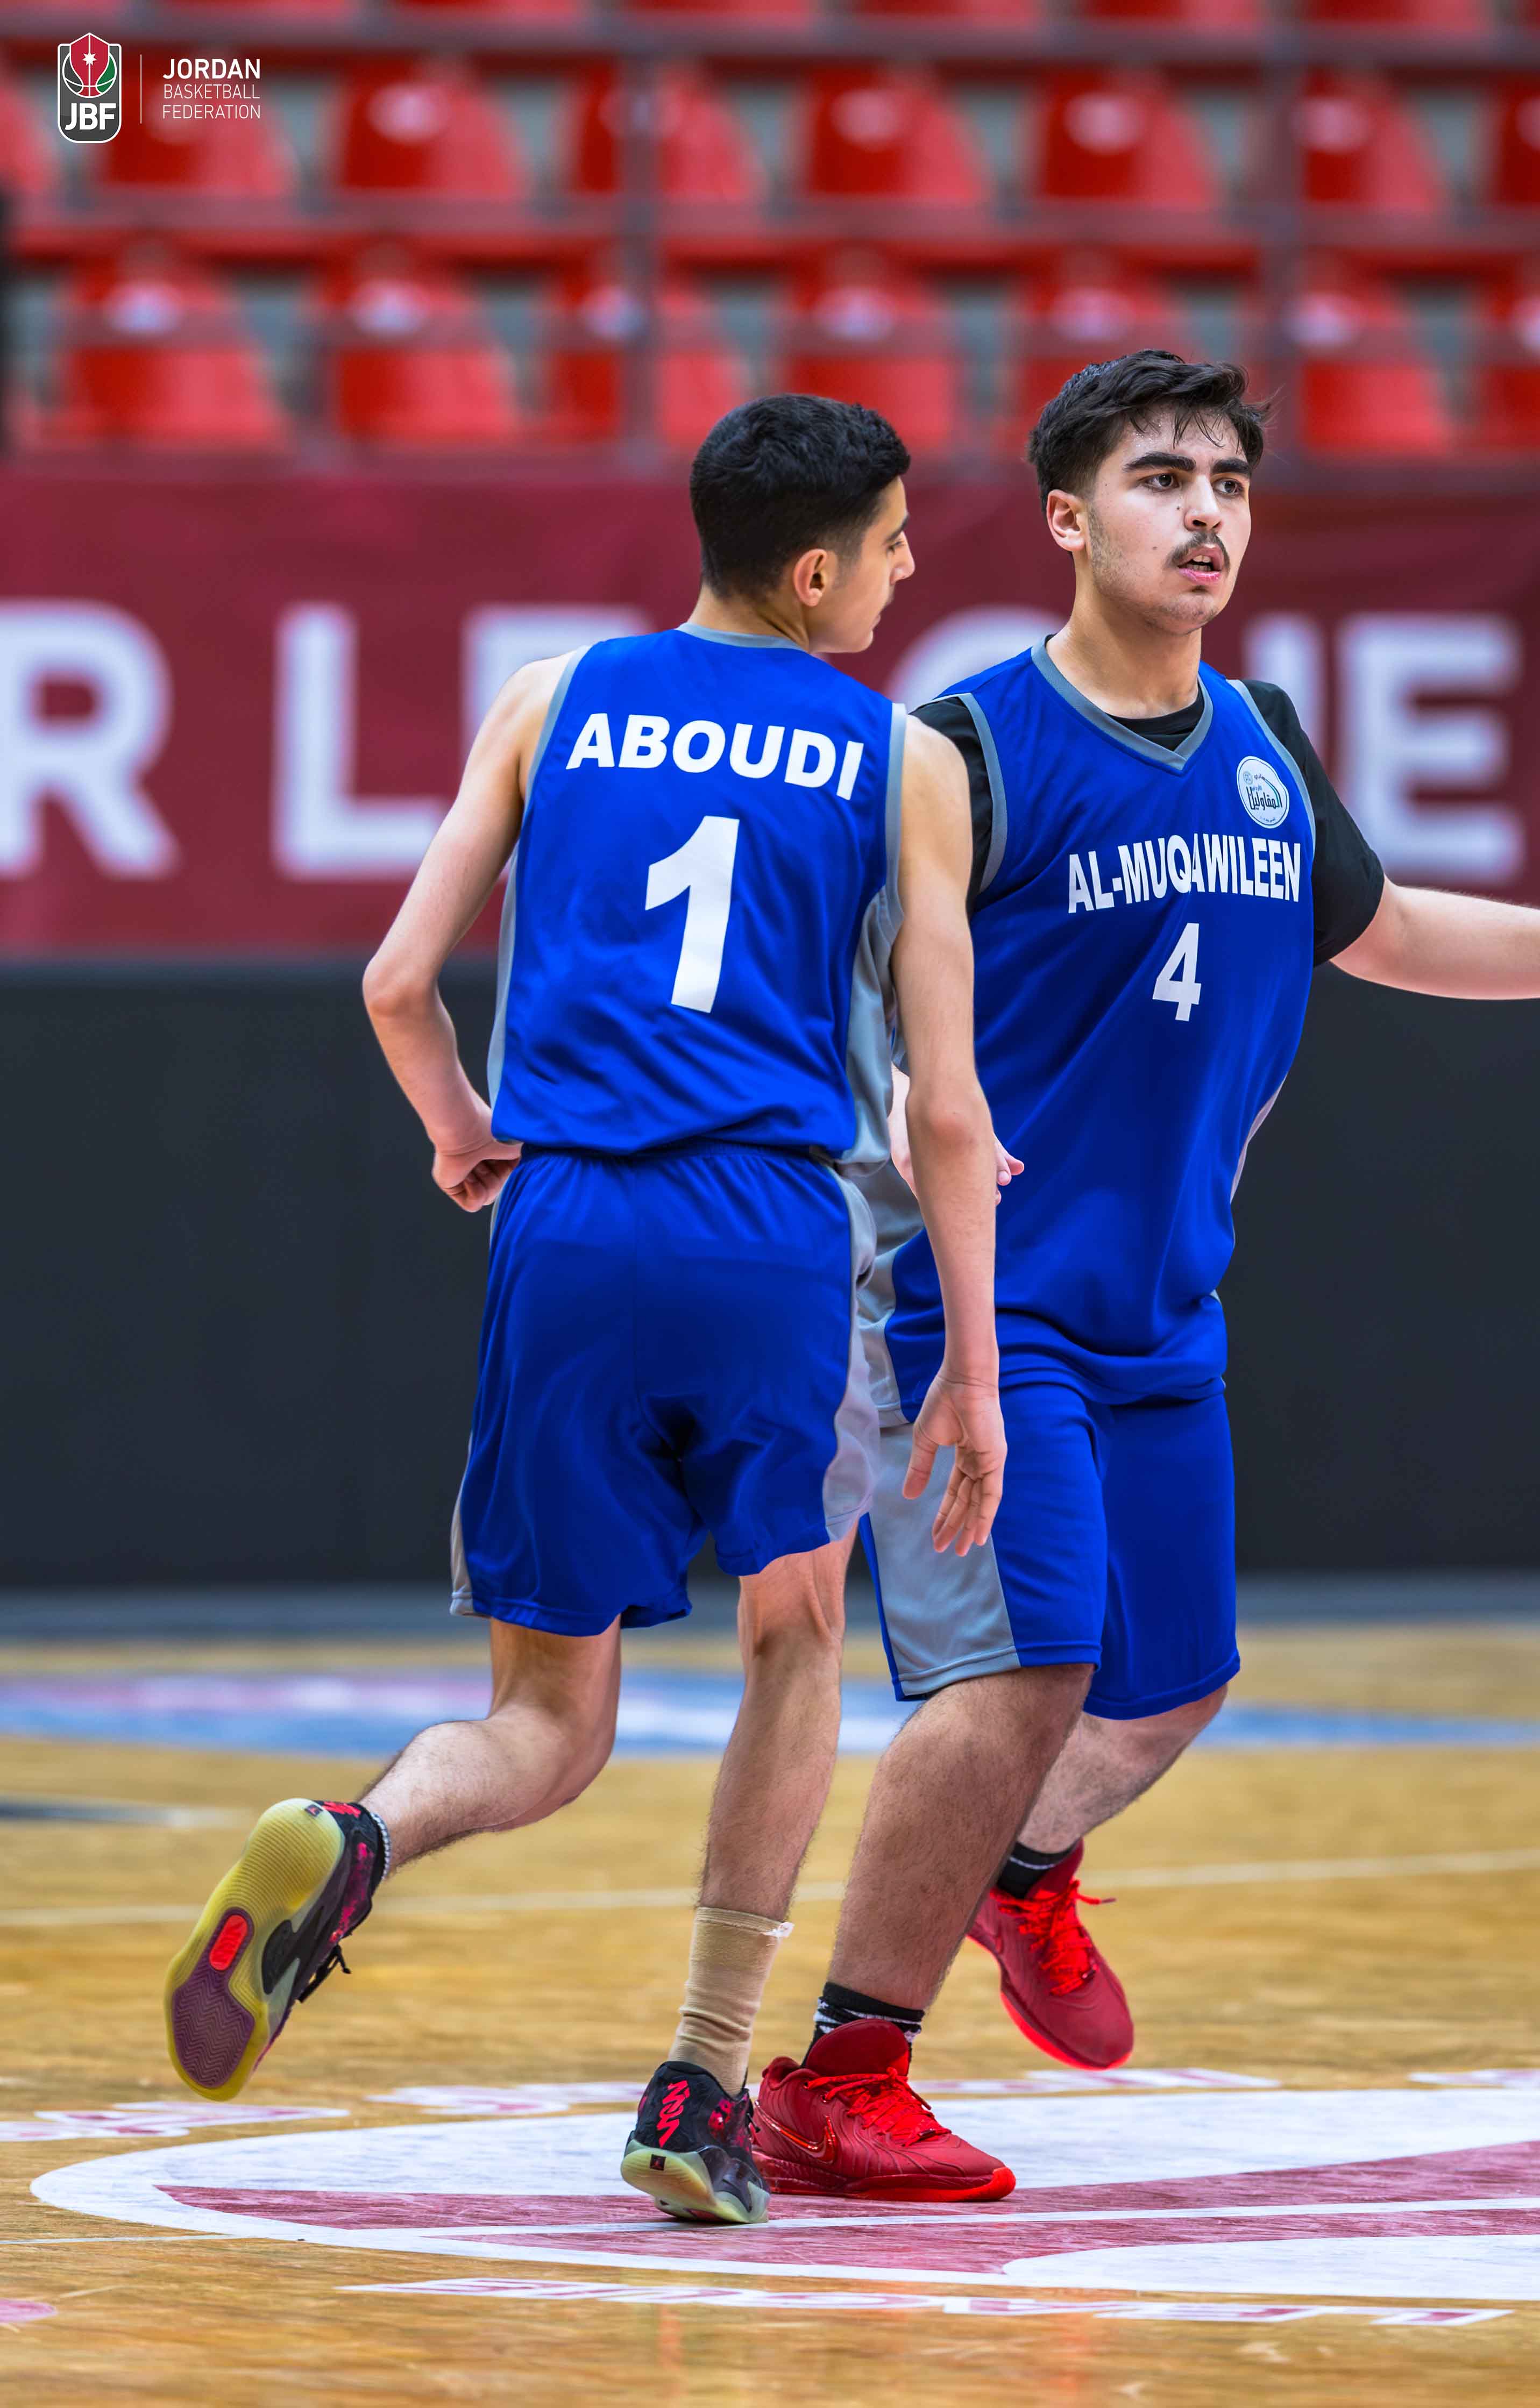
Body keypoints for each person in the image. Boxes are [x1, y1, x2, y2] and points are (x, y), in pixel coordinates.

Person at [748, 350, 1540, 2200]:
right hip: (988, 1303)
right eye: (1161, 479)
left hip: (1163, 1308)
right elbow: (847, 989)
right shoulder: (964, 746)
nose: (1206, 512)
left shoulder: (1267, 739)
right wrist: (881, 1145)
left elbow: (1389, 928)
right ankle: (839, 2075)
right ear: (1068, 520)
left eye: (1228, 482)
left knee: (1176, 1689)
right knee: (1026, 1677)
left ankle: (1020, 1874)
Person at [161, 394, 1007, 2231]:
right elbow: (946, 1108)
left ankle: (364, 1833)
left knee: (547, 1720)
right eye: (892, 544)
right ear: (814, 574)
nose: (909, 569)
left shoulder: (552, 699)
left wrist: (464, 1134)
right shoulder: (901, 756)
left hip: (566, 1225)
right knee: (796, 1640)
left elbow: (397, 984)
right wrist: (979, 1367)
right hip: (770, 1229)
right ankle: (702, 2081)